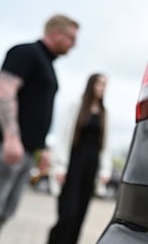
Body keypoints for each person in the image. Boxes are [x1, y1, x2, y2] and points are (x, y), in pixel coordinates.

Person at [0, 14, 79, 232]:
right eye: (71, 38)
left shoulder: (48, 65)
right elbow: (4, 91)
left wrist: (42, 147)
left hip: (26, 150)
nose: (74, 45)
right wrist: (11, 137)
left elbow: (37, 110)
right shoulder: (25, 53)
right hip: (9, 147)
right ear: (55, 33)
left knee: (7, 211)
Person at [47, 73, 112, 244]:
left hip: (91, 166)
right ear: (91, 85)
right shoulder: (76, 107)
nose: (102, 88)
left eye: (104, 85)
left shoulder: (105, 113)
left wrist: (105, 170)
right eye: (99, 84)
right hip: (74, 164)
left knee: (80, 215)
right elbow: (63, 137)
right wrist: (60, 166)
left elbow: (105, 145)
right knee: (69, 213)